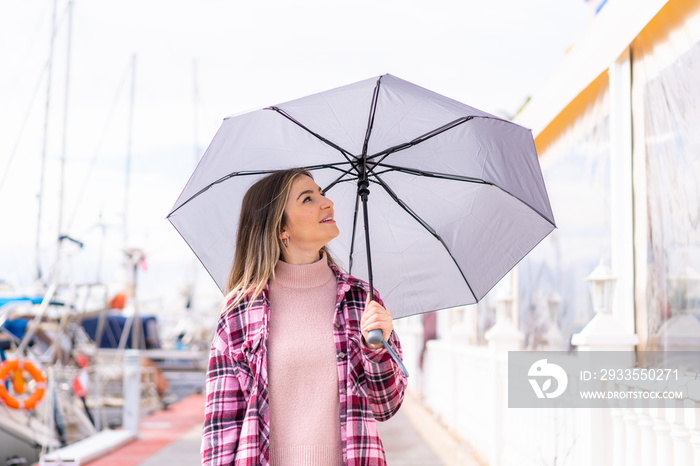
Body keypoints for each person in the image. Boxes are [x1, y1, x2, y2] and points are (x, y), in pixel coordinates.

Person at [201, 168, 408, 466]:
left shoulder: (360, 300)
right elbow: (220, 426)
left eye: (321, 193)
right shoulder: (240, 311)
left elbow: (387, 405)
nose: (327, 202)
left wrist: (376, 350)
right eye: (308, 199)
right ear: (280, 229)